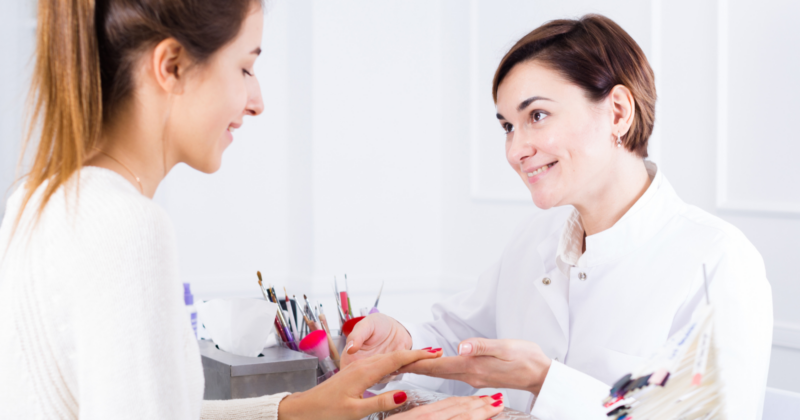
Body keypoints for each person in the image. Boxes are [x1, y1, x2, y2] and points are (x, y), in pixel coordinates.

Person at [0, 1, 507, 419]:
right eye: (245, 67)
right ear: (171, 65)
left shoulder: (37, 199)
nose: (257, 100)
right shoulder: (129, 226)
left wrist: (294, 411)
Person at [341, 14, 773, 420]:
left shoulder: (719, 260)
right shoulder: (537, 237)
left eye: (537, 115)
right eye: (508, 126)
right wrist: (402, 342)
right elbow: (461, 339)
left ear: (618, 112)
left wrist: (546, 382)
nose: (515, 151)